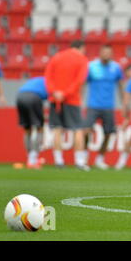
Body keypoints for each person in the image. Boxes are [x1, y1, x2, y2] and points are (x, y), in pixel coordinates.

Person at [44, 40, 89, 170]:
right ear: (82, 48)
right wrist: (66, 93)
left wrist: (55, 92)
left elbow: (48, 76)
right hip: (72, 99)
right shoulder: (82, 59)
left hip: (55, 99)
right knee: (78, 130)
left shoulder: (56, 57)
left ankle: (59, 161)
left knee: (57, 129)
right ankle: (79, 162)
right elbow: (79, 80)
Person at [82, 44, 124, 170]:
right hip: (93, 105)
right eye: (104, 52)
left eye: (109, 53)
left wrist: (123, 104)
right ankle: (84, 157)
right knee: (86, 131)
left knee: (108, 133)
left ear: (111, 54)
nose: (106, 55)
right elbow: (83, 83)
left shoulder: (116, 68)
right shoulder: (91, 66)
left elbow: (120, 85)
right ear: (100, 53)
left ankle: (100, 159)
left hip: (108, 106)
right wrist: (80, 100)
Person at [16, 76, 48, 169]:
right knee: (39, 128)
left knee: (27, 129)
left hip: (20, 97)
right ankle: (33, 159)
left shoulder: (37, 80)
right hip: (34, 97)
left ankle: (29, 157)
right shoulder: (51, 82)